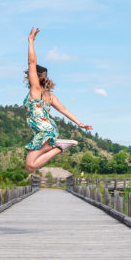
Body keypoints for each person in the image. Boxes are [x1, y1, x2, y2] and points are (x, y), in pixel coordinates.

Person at [23, 27, 92, 173]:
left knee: (30, 165)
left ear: (36, 76)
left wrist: (30, 41)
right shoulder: (49, 96)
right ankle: (59, 147)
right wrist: (79, 123)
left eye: (32, 74)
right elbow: (64, 110)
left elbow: (32, 62)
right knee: (30, 166)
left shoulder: (36, 90)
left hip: (44, 132)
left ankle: (60, 147)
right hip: (48, 131)